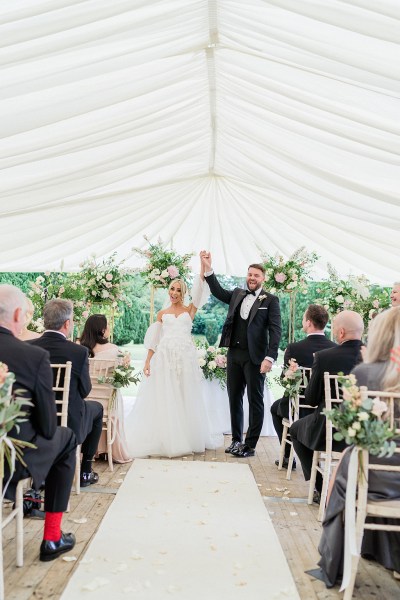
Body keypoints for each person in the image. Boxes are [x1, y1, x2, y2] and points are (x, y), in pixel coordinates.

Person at [318, 306, 400, 586]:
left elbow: (346, 429)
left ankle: (336, 559)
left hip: (373, 478)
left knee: (349, 462)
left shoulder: (364, 374)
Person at [0, 284, 77, 561]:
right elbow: (47, 427)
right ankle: (52, 537)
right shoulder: (32, 357)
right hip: (9, 462)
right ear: (19, 314)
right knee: (66, 436)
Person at [124, 267, 223, 458]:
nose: (174, 293)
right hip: (166, 358)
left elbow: (200, 292)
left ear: (183, 293)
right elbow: (154, 340)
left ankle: (187, 436)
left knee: (185, 394)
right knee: (168, 395)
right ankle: (168, 437)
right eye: (172, 289)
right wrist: (147, 362)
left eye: (178, 290)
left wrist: (202, 272)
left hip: (185, 360)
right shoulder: (162, 314)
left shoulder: (190, 310)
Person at [201, 251, 281, 458]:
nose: (252, 278)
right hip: (234, 355)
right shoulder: (237, 294)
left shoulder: (270, 300)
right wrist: (208, 268)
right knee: (234, 397)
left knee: (255, 401)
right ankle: (236, 440)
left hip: (256, 358)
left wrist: (269, 357)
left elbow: (276, 330)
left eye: (256, 275)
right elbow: (218, 291)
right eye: (250, 274)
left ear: (263, 279)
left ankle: (250, 445)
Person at [289, 310, 364, 499]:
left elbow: (312, 400)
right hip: (365, 434)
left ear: (341, 333)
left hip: (328, 432)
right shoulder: (376, 359)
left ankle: (321, 488)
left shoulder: (324, 357)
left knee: (295, 430)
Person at [30, 299, 103, 487]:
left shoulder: (28, 347)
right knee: (98, 408)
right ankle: (85, 471)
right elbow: (85, 391)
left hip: (34, 419)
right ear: (67, 323)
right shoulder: (78, 352)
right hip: (69, 422)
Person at [271, 304, 336, 468]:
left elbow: (284, 380)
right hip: (324, 408)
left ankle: (287, 456)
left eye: (303, 318)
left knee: (275, 408)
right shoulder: (335, 349)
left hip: (297, 408)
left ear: (308, 323)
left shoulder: (294, 348)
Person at [80, 314, 131, 463]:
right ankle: (106, 450)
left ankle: (90, 450)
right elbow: (122, 374)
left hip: (86, 401)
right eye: (107, 325)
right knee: (115, 391)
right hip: (106, 405)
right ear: (102, 330)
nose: (109, 328)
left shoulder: (80, 349)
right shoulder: (114, 350)